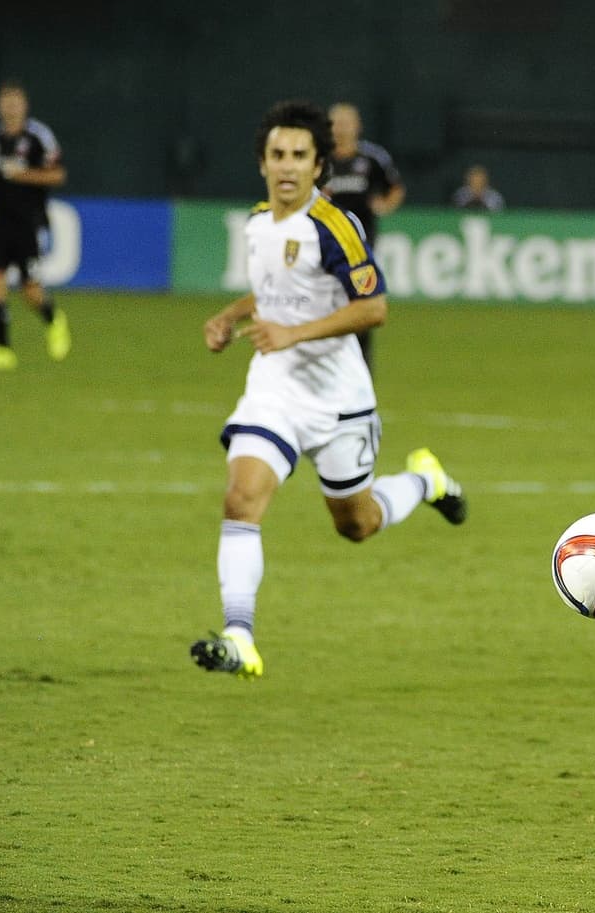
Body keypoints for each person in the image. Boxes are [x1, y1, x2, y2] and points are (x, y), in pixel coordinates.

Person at [190, 100, 467, 679]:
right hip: (275, 393)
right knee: (241, 499)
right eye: (276, 155)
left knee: (356, 525)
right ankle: (240, 637)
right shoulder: (258, 223)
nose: (286, 166)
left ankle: (425, 481)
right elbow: (273, 291)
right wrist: (230, 316)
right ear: (262, 162)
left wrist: (293, 332)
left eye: (298, 156)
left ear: (318, 166)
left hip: (341, 402)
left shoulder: (336, 226)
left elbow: (374, 308)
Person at [0, 82, 70, 371]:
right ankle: (2, 348)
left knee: (30, 291)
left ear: (24, 105)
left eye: (16, 101)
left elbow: (58, 175)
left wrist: (21, 174)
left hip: (28, 223)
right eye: (6, 101)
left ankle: (53, 320)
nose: (11, 107)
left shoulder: (39, 137)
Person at [322, 102, 406, 371]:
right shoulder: (320, 160)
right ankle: (326, 366)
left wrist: (384, 205)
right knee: (326, 301)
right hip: (326, 243)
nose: (342, 128)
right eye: (337, 122)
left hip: (361, 244)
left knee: (361, 302)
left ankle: (360, 368)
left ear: (357, 126)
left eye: (347, 122)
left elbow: (395, 188)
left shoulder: (372, 158)